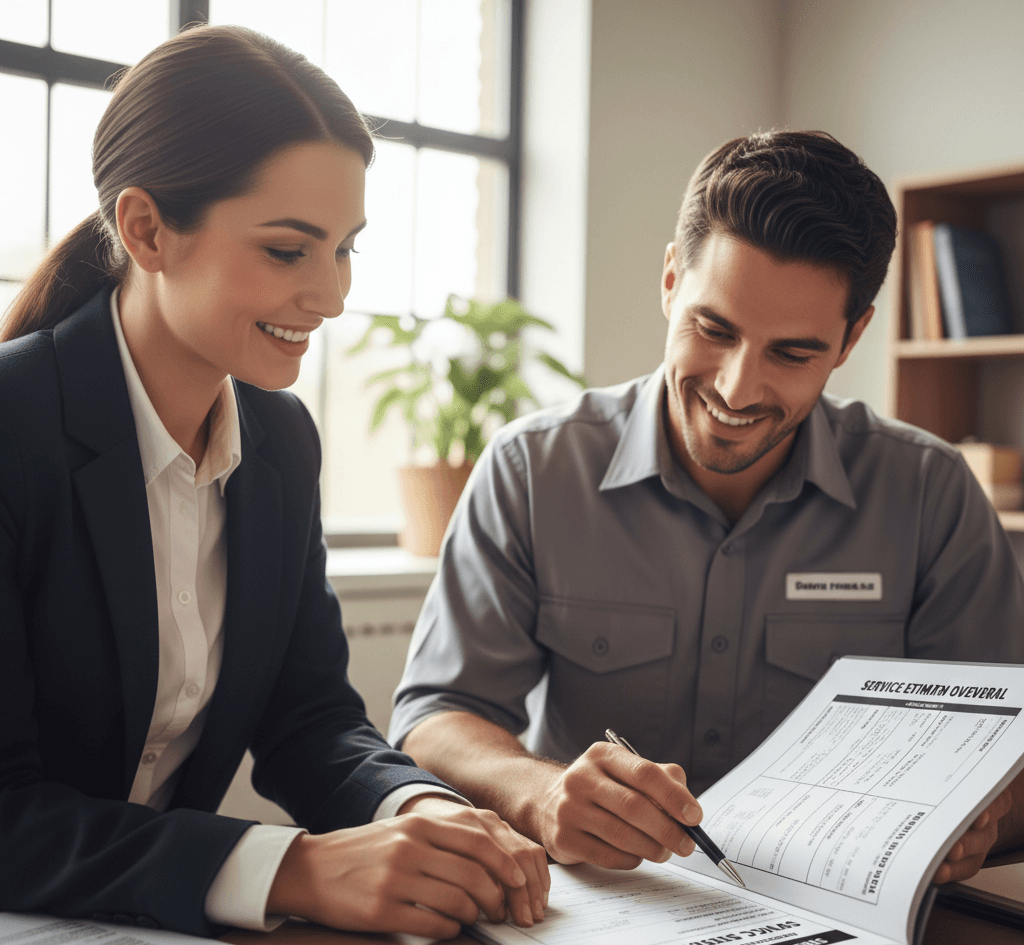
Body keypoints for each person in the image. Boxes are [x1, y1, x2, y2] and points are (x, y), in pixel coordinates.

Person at [0, 24, 549, 940]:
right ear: (146, 230)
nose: (332, 296)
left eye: (346, 250)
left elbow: (310, 719)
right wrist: (291, 867)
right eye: (289, 251)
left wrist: (413, 809)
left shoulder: (280, 439)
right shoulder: (13, 430)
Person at [389, 130, 1024, 885]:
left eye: (791, 354)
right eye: (712, 329)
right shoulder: (533, 469)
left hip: (847, 929)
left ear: (852, 337)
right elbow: (435, 718)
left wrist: (976, 821)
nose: (735, 387)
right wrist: (540, 791)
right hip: (600, 916)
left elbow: (1000, 751)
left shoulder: (930, 493)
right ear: (669, 281)